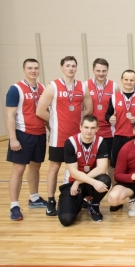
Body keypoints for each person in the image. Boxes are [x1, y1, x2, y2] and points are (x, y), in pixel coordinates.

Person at [36, 56, 93, 216]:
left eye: (73, 66)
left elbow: (88, 109)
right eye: (67, 66)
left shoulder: (82, 86)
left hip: (77, 138)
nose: (71, 68)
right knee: (54, 168)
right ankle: (51, 200)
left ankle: (80, 196)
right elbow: (40, 110)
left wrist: (77, 119)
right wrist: (55, 122)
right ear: (62, 68)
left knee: (80, 168)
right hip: (58, 137)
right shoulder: (53, 86)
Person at [5, 59, 48, 220]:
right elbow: (10, 115)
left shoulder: (43, 88)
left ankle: (34, 198)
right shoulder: (15, 89)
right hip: (23, 134)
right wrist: (13, 138)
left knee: (36, 166)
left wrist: (52, 131)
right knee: (18, 169)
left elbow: (46, 111)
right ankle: (14, 206)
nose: (33, 71)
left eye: (36, 68)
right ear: (24, 70)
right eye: (30, 68)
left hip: (40, 133)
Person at [104, 69, 135, 211]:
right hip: (118, 137)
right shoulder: (114, 97)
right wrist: (109, 118)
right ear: (122, 80)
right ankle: (117, 196)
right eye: (126, 79)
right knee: (115, 168)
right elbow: (107, 115)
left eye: (132, 80)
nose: (129, 82)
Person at [58, 115, 111, 226]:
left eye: (92, 128)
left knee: (105, 179)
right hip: (71, 183)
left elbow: (102, 168)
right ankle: (79, 202)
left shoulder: (101, 142)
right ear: (80, 127)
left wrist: (79, 182)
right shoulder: (70, 142)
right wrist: (80, 182)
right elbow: (73, 172)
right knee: (66, 219)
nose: (89, 131)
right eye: (86, 127)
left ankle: (94, 205)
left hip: (82, 182)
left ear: (97, 129)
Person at [86, 58, 117, 168]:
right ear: (93, 70)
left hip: (108, 131)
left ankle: (111, 185)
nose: (101, 74)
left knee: (109, 162)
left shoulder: (114, 86)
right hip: (91, 130)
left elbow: (118, 107)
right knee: (91, 162)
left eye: (104, 71)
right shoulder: (85, 85)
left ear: (107, 71)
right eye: (98, 71)